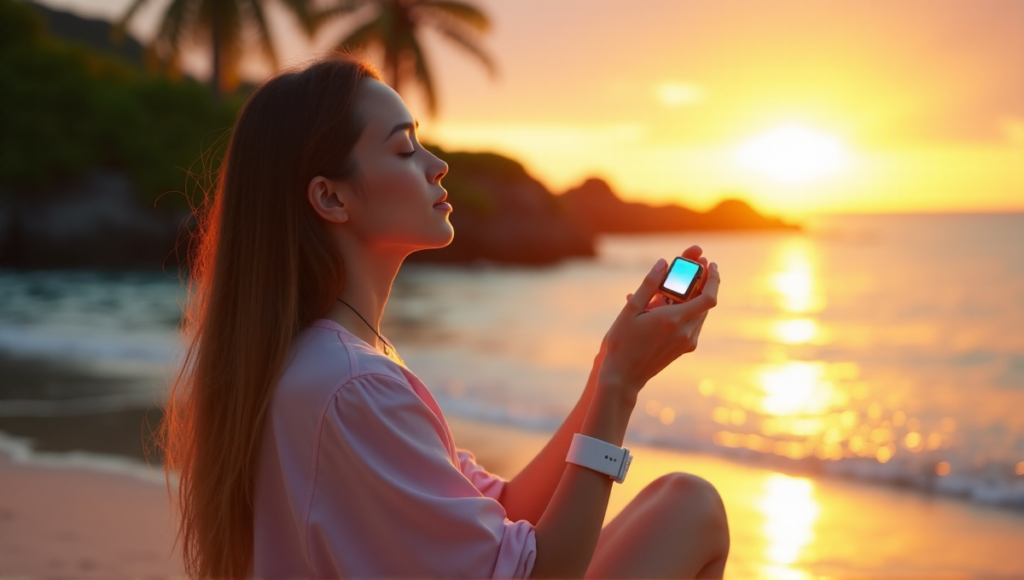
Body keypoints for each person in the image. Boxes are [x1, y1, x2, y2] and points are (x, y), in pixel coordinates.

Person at [162, 51, 728, 580]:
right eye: (405, 149)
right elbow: (539, 573)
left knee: (683, 502)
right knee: (693, 509)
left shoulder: (320, 363)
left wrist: (607, 368)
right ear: (331, 198)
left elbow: (505, 507)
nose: (438, 165)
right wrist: (620, 388)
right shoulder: (353, 388)